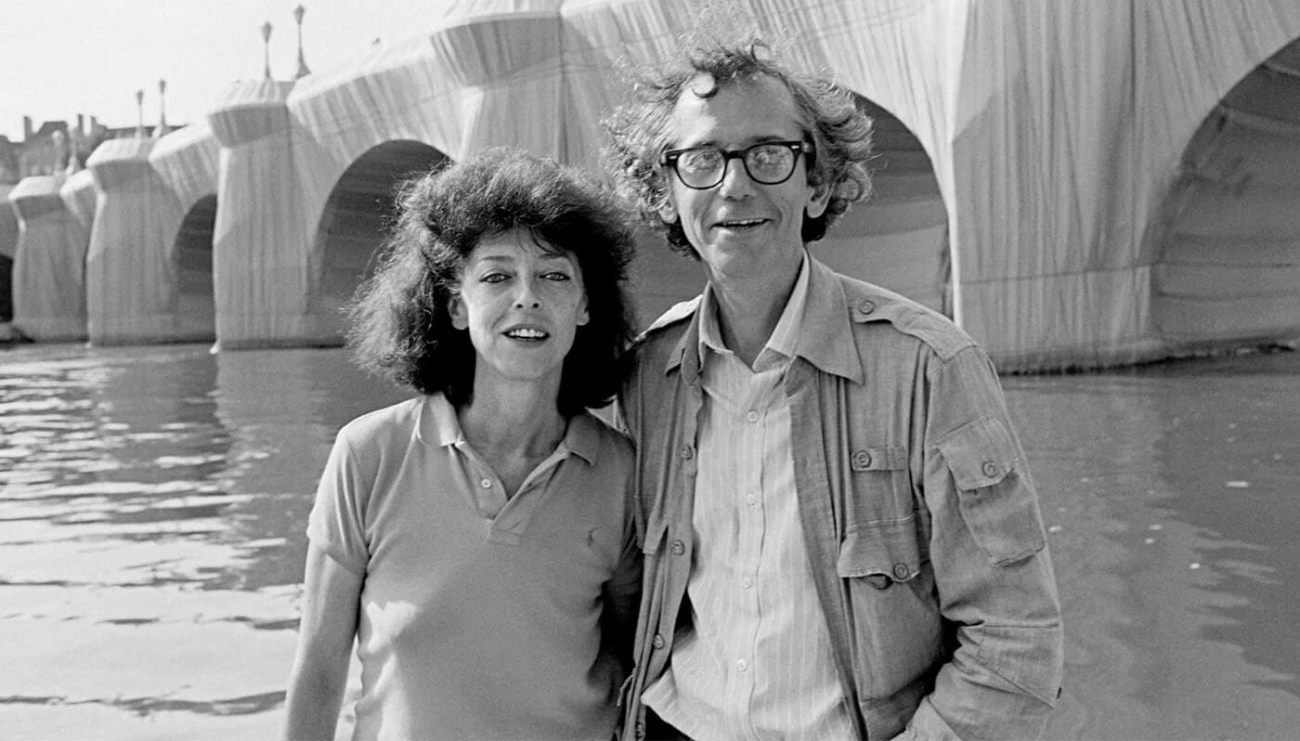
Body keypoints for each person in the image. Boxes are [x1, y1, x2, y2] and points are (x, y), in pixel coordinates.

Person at [603, 37, 1064, 740]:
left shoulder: (928, 369)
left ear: (816, 182)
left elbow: (1015, 638)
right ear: (666, 194)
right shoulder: (646, 376)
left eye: (768, 154)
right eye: (700, 160)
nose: (733, 185)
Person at [282, 147, 642, 741]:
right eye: (497, 276)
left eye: (554, 276)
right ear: (455, 304)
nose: (527, 296)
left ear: (583, 306)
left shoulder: (622, 471)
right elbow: (320, 672)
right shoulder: (369, 454)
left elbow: (636, 662)